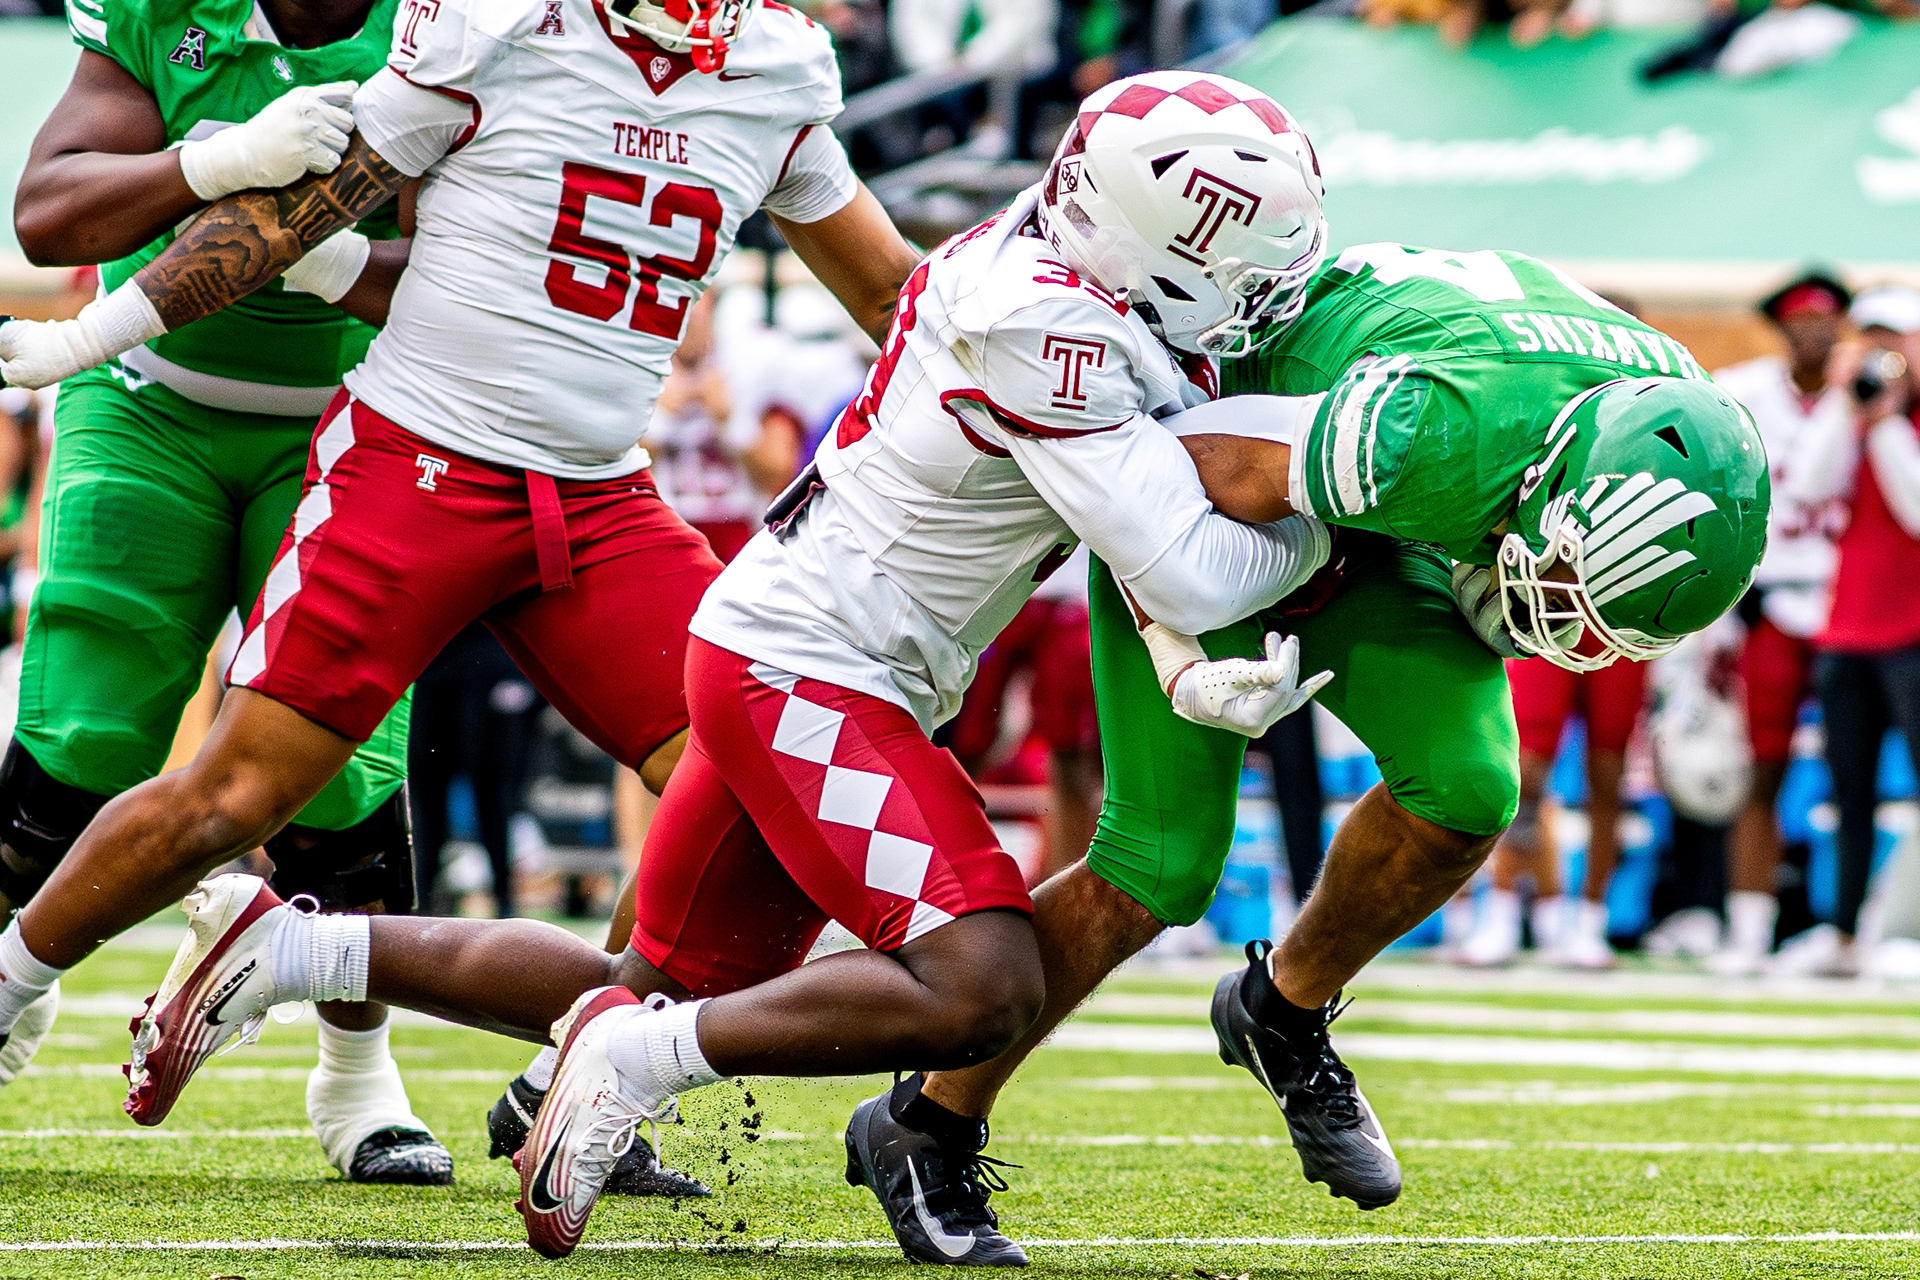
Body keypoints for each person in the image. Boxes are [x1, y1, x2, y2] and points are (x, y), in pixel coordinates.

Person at [105, 71, 1333, 1262]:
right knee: (980, 981)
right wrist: (1336, 488)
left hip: (793, 643)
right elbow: (1190, 568)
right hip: (816, 668)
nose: (1247, 296)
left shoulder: (1046, 267)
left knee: (643, 977)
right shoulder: (1044, 319)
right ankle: (632, 1062)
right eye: (1230, 261)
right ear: (1148, 235)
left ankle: (287, 948)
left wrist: (1182, 646)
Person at [0, 0, 919, 1181]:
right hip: (420, 464)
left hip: (598, 491)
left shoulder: (779, 65)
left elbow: (895, 292)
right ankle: (13, 974)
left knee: (740, 778)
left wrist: (1048, 393)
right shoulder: (494, 24)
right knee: (232, 795)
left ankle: (587, 1066)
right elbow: (299, 210)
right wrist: (94, 333)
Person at [846, 240, 1772, 1263]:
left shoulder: (1664, 413)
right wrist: (1178, 651)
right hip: (1221, 476)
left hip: (1383, 499)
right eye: (1563, 584)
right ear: (1553, 491)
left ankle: (1279, 1010)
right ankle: (927, 1122)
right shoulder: (1438, 429)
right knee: (1161, 862)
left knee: (1468, 788)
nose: (1556, 631)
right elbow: (1166, 477)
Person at [0, 0, 444, 1183]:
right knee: (81, 730)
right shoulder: (164, 9)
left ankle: (358, 1074)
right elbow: (46, 214)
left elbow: (487, 273)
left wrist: (334, 256)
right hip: (147, 398)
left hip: (359, 418)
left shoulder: (455, 23)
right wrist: (218, 160)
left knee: (341, 762)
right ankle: (12, 972)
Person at [1706, 272, 1849, 974]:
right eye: (1802, 319)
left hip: (1854, 601)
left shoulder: (1867, 396)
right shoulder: (1745, 394)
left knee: (1854, 777)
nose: (1815, 331)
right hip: (1773, 595)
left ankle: (1851, 927)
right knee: (1760, 768)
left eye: (1828, 318)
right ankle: (1749, 926)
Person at [1780, 284, 1920, 977]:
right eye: (1873, 339)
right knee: (1849, 794)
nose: (1886, 354)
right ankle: (1842, 935)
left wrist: (1887, 421)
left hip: (1914, 631)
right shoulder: (1855, 415)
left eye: (1899, 339)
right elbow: (1807, 486)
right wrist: (1845, 403)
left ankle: (1907, 931)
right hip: (1849, 631)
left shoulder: (1900, 424)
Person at [1456, 654, 1649, 970]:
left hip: (1618, 623)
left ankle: (1590, 923)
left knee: (1608, 773)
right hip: (1552, 617)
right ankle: (1502, 913)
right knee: (1525, 770)